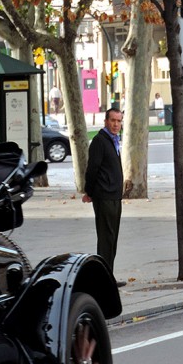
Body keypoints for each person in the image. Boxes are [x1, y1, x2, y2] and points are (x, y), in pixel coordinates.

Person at [82, 107, 124, 283]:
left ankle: (109, 277)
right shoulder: (100, 141)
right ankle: (103, 280)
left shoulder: (113, 140)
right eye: (113, 120)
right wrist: (89, 191)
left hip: (114, 196)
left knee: (112, 238)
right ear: (106, 121)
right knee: (106, 239)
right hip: (104, 196)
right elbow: (92, 169)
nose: (116, 124)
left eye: (119, 121)